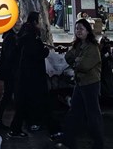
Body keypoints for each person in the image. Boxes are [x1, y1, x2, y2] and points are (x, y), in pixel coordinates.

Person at [9, 12, 53, 137]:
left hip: (24, 74)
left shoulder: (24, 33)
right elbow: (35, 54)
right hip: (32, 74)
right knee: (31, 100)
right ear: (35, 21)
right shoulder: (31, 35)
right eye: (39, 20)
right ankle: (28, 125)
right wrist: (45, 51)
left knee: (23, 102)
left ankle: (18, 128)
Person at [63, 18, 104, 149]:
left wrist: (76, 61)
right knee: (74, 112)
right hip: (80, 83)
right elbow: (68, 57)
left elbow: (84, 66)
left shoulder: (92, 47)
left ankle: (98, 143)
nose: (78, 31)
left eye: (81, 29)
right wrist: (77, 60)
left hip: (90, 84)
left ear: (88, 31)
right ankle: (68, 141)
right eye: (76, 29)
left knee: (93, 114)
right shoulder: (78, 45)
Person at [0, 18, 22, 129]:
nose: (19, 24)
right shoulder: (10, 37)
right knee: (8, 96)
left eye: (20, 22)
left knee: (7, 96)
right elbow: (11, 55)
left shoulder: (11, 36)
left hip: (10, 72)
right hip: (10, 73)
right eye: (17, 23)